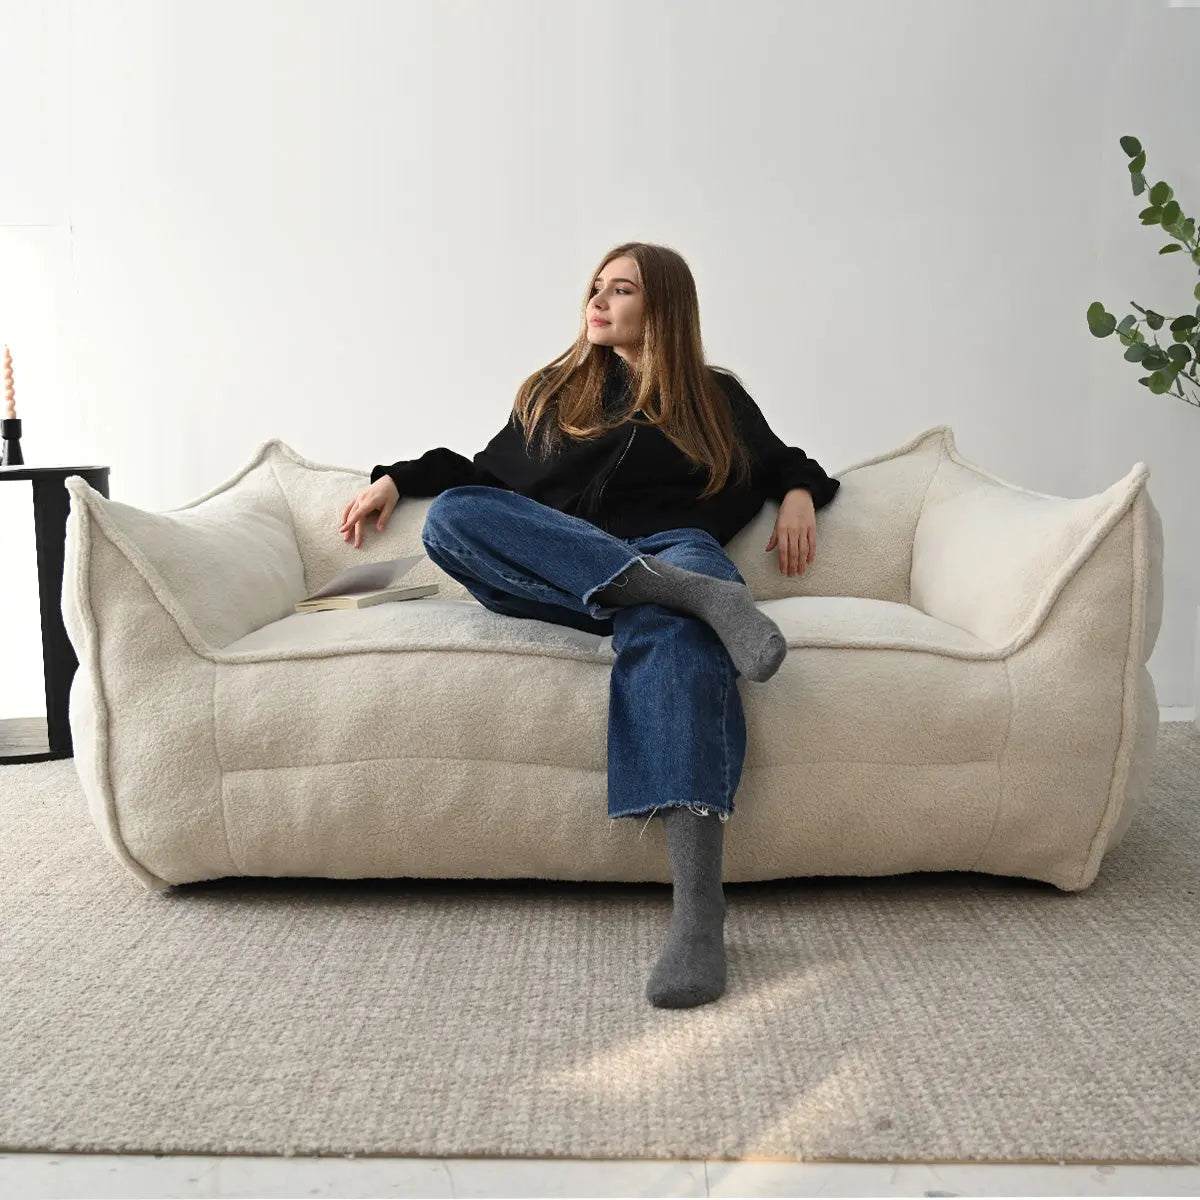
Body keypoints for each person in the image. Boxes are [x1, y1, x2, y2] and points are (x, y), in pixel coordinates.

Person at [337, 242, 841, 1009]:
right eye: (595, 289)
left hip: (677, 547)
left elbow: (784, 462)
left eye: (622, 290)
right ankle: (691, 595)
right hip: (565, 571)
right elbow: (482, 475)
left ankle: (699, 914)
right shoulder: (554, 389)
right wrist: (398, 478)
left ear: (663, 305)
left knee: (674, 638)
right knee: (456, 517)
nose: (598, 303)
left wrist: (801, 491)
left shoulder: (714, 397)